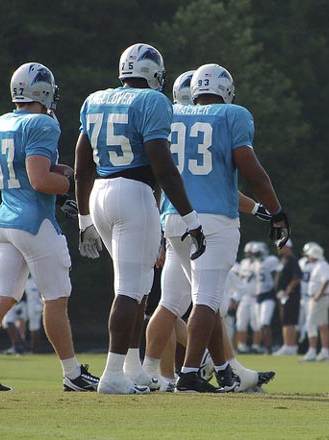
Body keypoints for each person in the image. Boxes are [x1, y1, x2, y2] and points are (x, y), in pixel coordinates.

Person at [145, 63, 289, 393]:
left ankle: (223, 368)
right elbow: (251, 170)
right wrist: (277, 210)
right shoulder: (233, 115)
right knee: (207, 301)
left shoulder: (173, 114)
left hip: (174, 218)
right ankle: (190, 373)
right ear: (226, 90)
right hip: (213, 220)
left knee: (189, 300)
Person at [75, 43, 206, 394]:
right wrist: (190, 218)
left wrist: (83, 217)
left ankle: (132, 368)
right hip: (133, 192)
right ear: (155, 73)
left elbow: (81, 164)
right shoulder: (153, 101)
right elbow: (162, 165)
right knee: (130, 289)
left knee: (138, 286)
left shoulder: (95, 99)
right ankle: (113, 373)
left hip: (101, 193)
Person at [0, 62, 99, 392]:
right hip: (34, 222)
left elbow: (29, 169)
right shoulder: (42, 124)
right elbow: (39, 180)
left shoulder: (2, 121)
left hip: (5, 220)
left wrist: (62, 172)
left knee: (2, 296)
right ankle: (72, 373)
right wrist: (74, 185)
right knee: (57, 297)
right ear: (43, 92)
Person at [300, 243, 329, 362]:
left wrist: (318, 295)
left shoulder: (321, 265)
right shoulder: (320, 265)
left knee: (311, 323)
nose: (308, 257)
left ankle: (312, 351)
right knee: (322, 325)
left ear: (314, 255)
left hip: (319, 299)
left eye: (309, 255)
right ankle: (325, 352)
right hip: (321, 298)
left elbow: (327, 280)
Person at [273, 239, 301, 355]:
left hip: (290, 295)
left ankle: (288, 346)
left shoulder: (292, 260)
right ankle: (290, 346)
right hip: (283, 295)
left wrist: (287, 291)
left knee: (288, 320)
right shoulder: (283, 260)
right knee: (286, 320)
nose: (279, 249)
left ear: (287, 247)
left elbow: (297, 277)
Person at [252, 241, 280, 354]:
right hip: (258, 295)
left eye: (257, 253)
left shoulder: (271, 260)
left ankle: (269, 347)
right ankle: (266, 346)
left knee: (265, 322)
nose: (255, 255)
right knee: (259, 325)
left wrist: (276, 289)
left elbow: (276, 275)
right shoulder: (255, 263)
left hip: (269, 294)